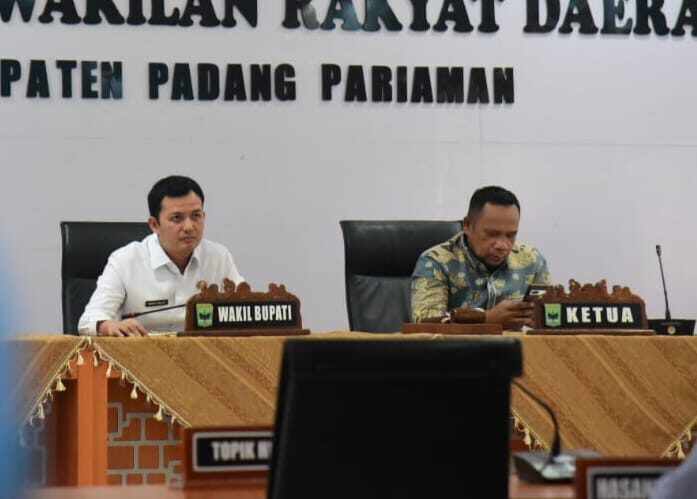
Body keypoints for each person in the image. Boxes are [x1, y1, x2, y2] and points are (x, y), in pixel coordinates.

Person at [78, 175, 244, 336]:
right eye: (177, 218)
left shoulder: (219, 257)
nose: (189, 227)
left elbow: (245, 308)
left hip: (202, 352)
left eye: (196, 216)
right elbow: (88, 321)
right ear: (154, 225)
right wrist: (108, 325)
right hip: (141, 351)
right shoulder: (125, 261)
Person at [411, 185, 550, 329]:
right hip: (456, 344)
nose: (502, 245)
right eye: (492, 234)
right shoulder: (436, 262)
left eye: (510, 235)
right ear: (467, 225)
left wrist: (542, 320)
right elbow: (424, 326)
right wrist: (486, 320)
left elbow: (551, 316)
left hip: (513, 344)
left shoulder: (531, 260)